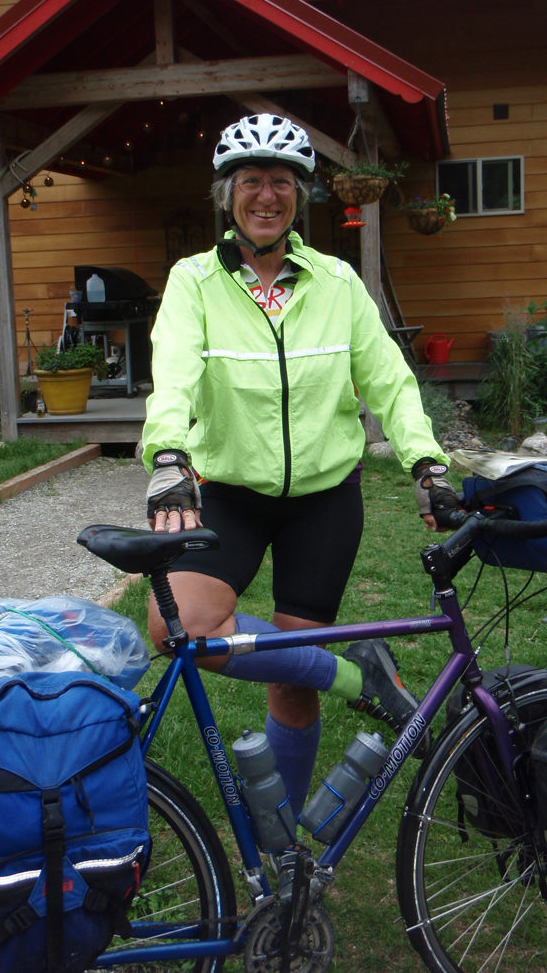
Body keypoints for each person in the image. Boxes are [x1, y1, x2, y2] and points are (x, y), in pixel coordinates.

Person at [142, 113, 459, 816]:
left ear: (300, 194)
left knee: (291, 683)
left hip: (324, 501)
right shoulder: (195, 280)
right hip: (230, 493)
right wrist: (168, 454)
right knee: (179, 627)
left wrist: (426, 463)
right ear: (228, 194)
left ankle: (285, 851)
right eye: (251, 180)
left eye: (281, 181)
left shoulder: (337, 281)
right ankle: (355, 672)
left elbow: (389, 380)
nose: (266, 195)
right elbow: (174, 375)